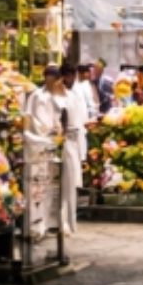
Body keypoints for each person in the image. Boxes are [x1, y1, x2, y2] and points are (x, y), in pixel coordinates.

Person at [25, 64, 88, 237]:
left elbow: (79, 125)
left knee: (66, 187)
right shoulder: (37, 96)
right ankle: (40, 224)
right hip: (43, 145)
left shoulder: (71, 97)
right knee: (42, 187)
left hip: (67, 144)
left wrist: (82, 153)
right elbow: (31, 120)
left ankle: (64, 222)